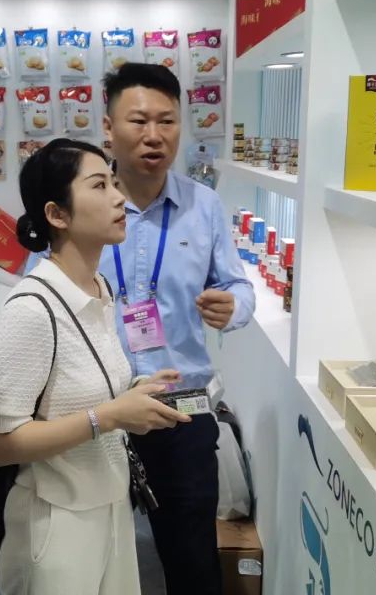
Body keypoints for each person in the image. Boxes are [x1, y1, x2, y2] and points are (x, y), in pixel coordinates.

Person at [0, 138, 190, 595]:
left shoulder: (99, 288)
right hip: (55, 522)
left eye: (114, 182)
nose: (118, 196)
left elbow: (83, 390)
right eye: (99, 185)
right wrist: (108, 417)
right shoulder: (31, 309)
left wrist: (135, 393)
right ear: (57, 214)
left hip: (112, 507)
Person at [102, 62, 255, 595]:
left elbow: (239, 287)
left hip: (181, 411)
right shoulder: (80, 204)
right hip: (100, 411)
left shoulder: (203, 206)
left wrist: (232, 307)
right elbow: (39, 292)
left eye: (166, 121)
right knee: (97, 562)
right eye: (138, 120)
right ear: (108, 127)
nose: (154, 135)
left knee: (192, 564)